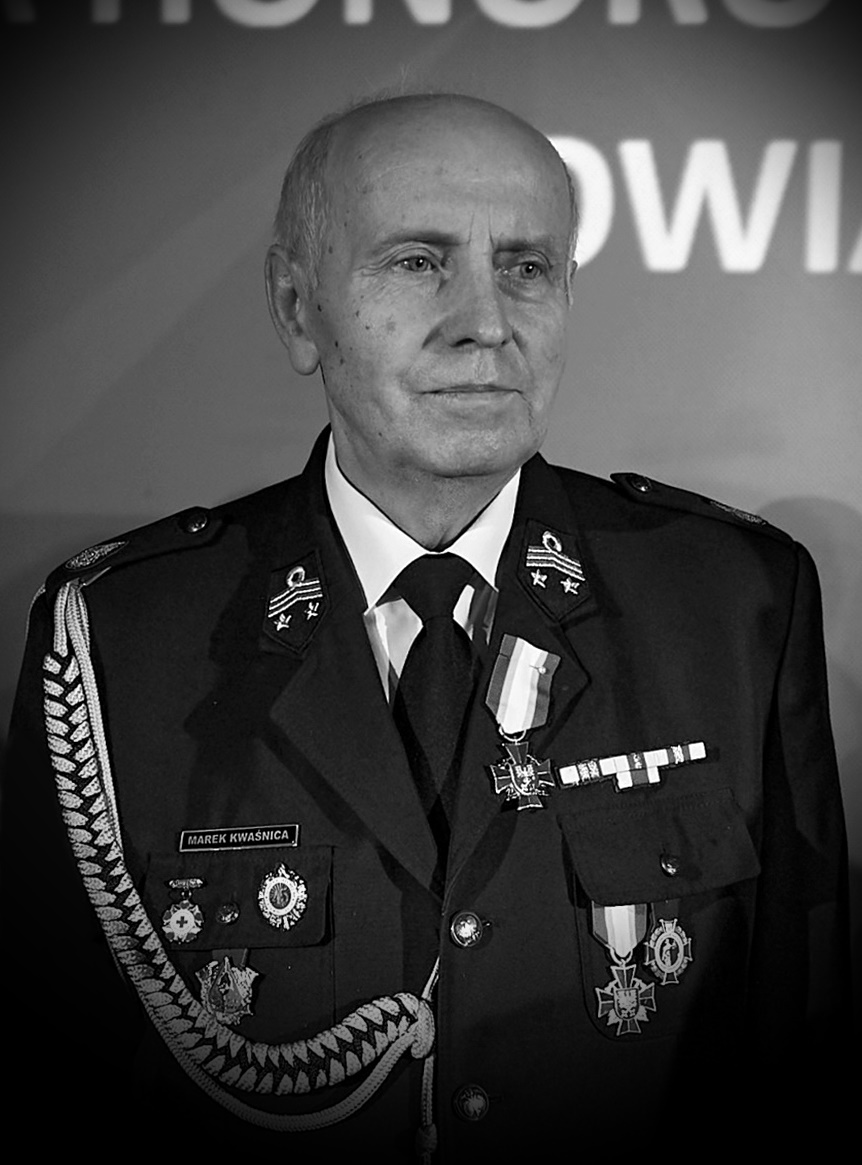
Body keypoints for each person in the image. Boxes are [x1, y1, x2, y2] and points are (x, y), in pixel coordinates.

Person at [1, 93, 849, 1160]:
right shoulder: (125, 636)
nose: (485, 320)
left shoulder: (732, 603)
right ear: (297, 309)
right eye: (417, 262)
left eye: (526, 266)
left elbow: (800, 1042)